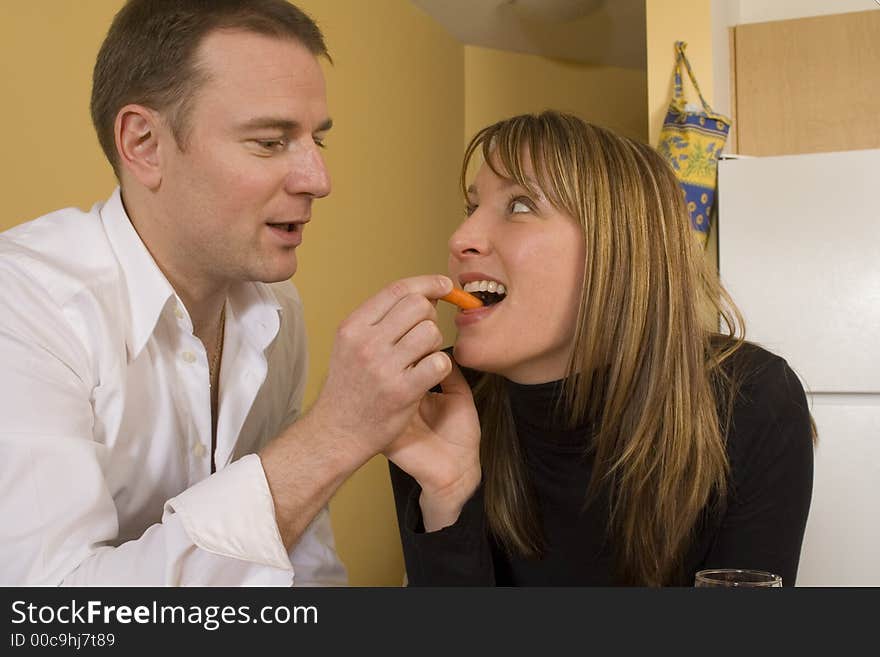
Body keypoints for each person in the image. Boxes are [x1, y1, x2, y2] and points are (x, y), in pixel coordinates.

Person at [0, 0, 454, 586]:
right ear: (144, 144)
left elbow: (302, 570)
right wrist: (336, 431)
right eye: (270, 141)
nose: (319, 180)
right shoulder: (23, 303)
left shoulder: (275, 313)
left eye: (318, 140)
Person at [386, 111, 815, 586]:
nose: (460, 239)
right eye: (472, 210)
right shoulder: (435, 399)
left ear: (621, 251)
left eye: (521, 205)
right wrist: (445, 500)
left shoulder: (752, 399)